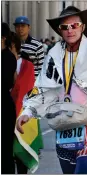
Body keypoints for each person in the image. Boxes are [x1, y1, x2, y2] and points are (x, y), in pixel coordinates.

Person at [16, 6, 87, 174]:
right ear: (60, 30)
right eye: (65, 27)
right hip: (63, 125)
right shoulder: (53, 55)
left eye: (74, 25)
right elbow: (44, 88)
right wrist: (29, 111)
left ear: (83, 27)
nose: (70, 30)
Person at [9, 32, 35, 174]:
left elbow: (28, 90)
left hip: (20, 113)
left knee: (21, 154)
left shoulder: (26, 65)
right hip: (8, 112)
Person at [1, 22, 17, 174]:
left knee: (4, 149)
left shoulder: (8, 57)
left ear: (3, 38)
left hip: (4, 107)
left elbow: (7, 81)